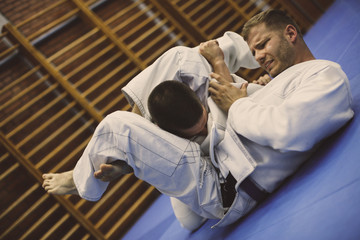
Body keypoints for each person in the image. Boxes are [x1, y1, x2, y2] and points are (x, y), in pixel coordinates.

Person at [42, 9, 354, 230]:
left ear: (290, 33)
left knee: (115, 126)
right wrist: (243, 89)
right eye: (254, 50)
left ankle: (92, 176)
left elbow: (286, 130)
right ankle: (131, 152)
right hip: (216, 150)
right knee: (183, 57)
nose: (258, 57)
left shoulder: (324, 75)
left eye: (263, 45)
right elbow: (253, 110)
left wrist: (237, 101)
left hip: (223, 184)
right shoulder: (277, 82)